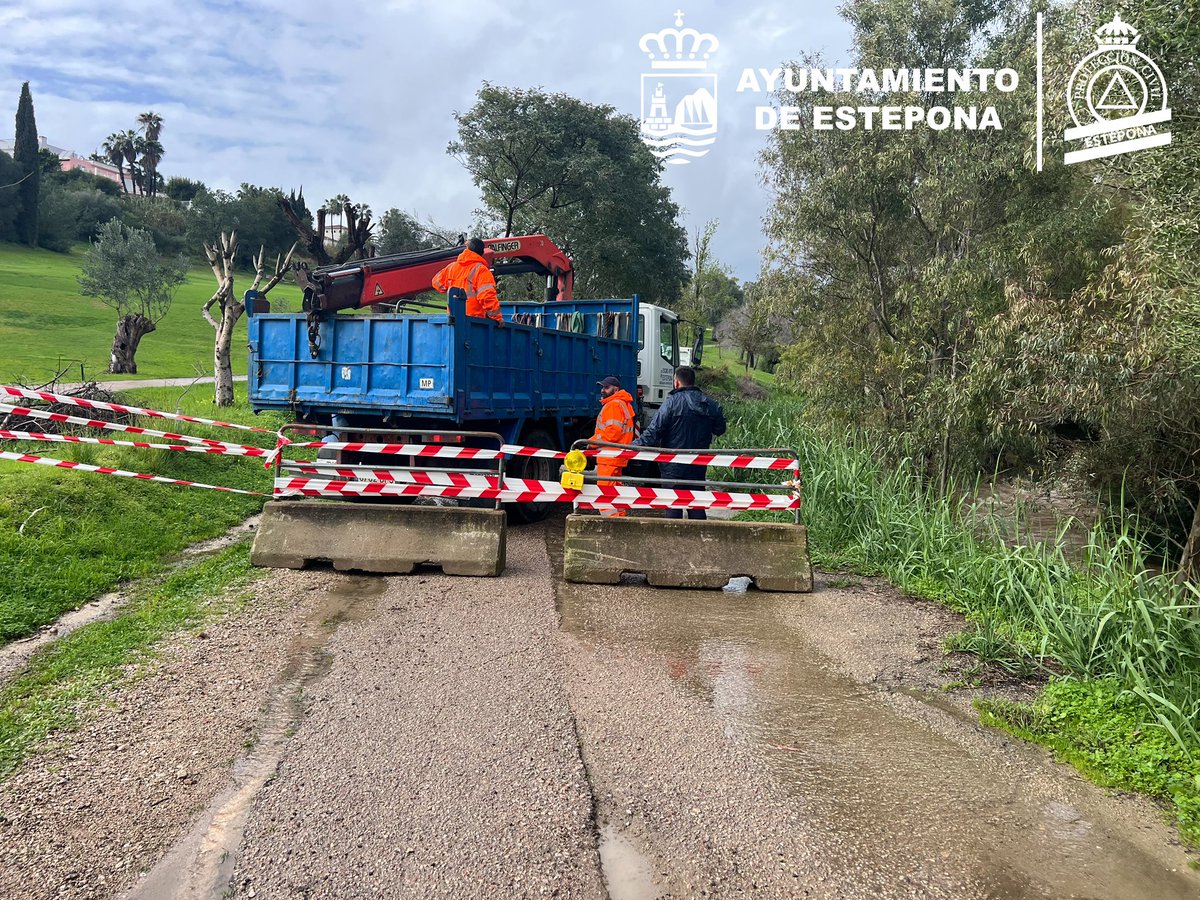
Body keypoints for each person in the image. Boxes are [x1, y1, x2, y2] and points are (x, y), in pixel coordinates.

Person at [634, 366, 726, 520]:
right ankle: (699, 534)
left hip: (672, 465)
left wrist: (631, 447)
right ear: (693, 381)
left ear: (676, 382)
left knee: (673, 507)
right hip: (698, 464)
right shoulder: (709, 404)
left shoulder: (671, 403)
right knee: (696, 506)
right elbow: (720, 429)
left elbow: (653, 433)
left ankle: (674, 534)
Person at [588, 375, 637, 518]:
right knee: (614, 490)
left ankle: (611, 521)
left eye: (606, 387)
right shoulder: (622, 403)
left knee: (604, 493)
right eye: (602, 387)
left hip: (609, 456)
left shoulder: (613, 405)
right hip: (617, 455)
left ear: (615, 389)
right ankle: (619, 518)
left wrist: (591, 442)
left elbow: (612, 433)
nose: (603, 390)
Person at [430, 237, 504, 324]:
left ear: (467, 249)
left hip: (453, 319)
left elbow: (436, 283)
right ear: (481, 253)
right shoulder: (481, 270)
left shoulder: (451, 267)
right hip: (473, 322)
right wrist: (497, 318)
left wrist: (450, 286)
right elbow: (487, 296)